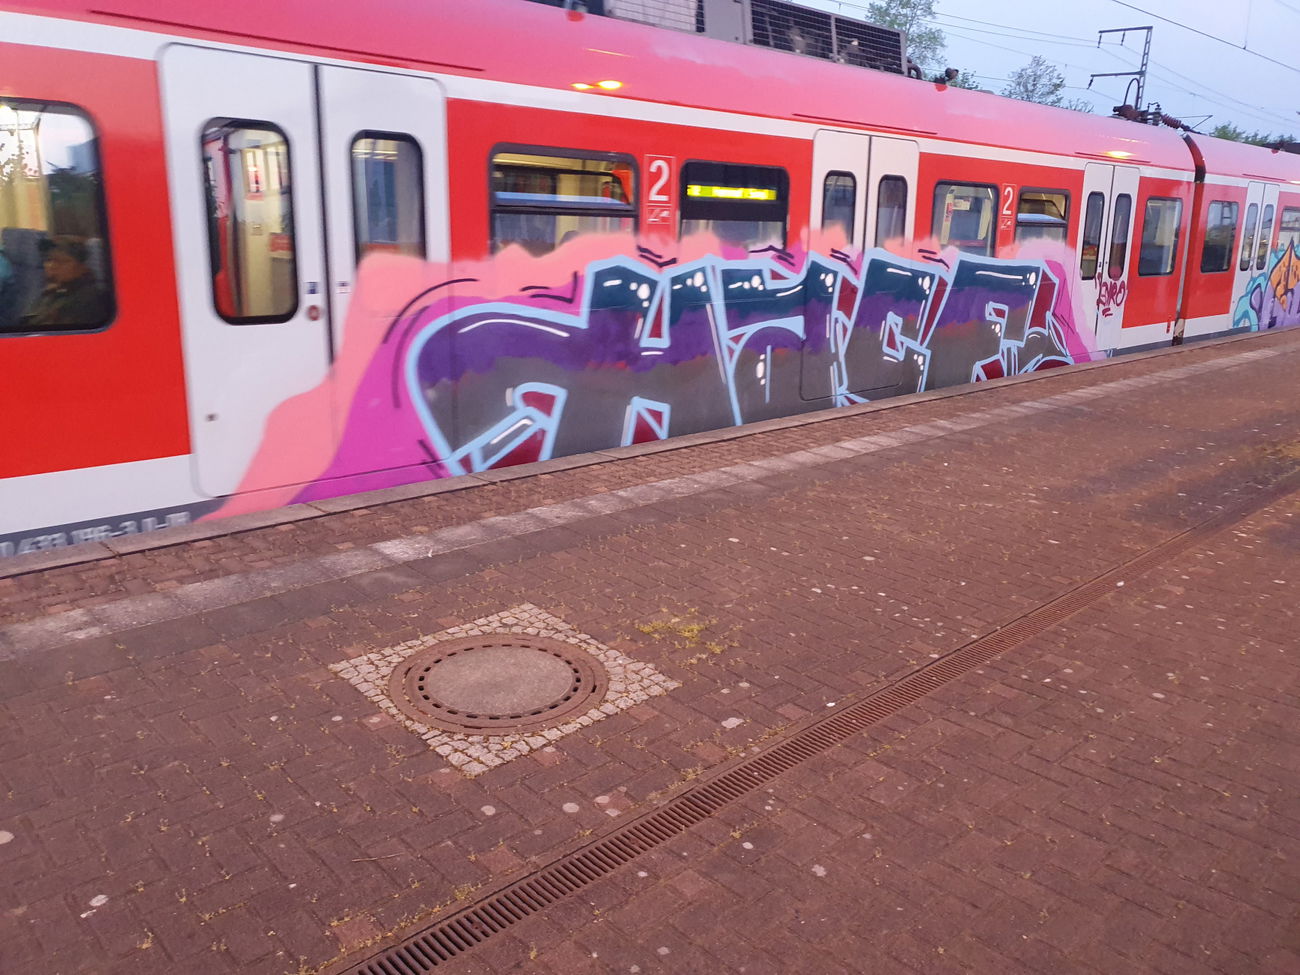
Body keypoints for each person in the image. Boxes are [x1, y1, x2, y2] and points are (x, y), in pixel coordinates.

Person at [18, 235, 110, 329]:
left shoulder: (89, 298)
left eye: (62, 261)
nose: (51, 266)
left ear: (82, 266)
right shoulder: (53, 290)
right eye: (48, 260)